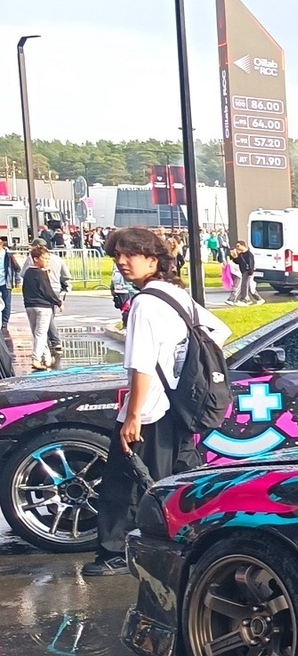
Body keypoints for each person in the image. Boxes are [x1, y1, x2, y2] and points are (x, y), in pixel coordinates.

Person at [84, 227, 230, 576]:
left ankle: (115, 554)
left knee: (124, 485)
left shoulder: (145, 303)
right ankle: (187, 544)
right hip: (180, 406)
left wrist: (133, 416)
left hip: (150, 409)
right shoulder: (174, 294)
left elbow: (141, 364)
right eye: (117, 256)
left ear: (153, 260)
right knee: (177, 479)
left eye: (130, 255)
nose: (121, 262)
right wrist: (181, 368)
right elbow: (220, 331)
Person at [21, 245, 64, 371]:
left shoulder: (28, 272)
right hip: (43, 307)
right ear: (35, 259)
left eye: (48, 258)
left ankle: (47, 358)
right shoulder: (41, 274)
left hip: (30, 306)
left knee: (38, 333)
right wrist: (58, 302)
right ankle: (36, 359)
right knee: (41, 333)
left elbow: (25, 290)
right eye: (44, 258)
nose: (47, 261)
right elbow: (47, 291)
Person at [227, 241, 261, 305]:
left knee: (244, 285)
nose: (237, 248)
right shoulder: (241, 254)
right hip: (243, 271)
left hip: (247, 271)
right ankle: (254, 299)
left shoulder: (249, 254)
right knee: (248, 287)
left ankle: (244, 299)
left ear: (243, 245)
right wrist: (234, 257)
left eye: (238, 246)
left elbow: (251, 262)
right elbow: (238, 261)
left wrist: (250, 271)